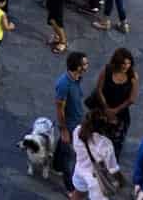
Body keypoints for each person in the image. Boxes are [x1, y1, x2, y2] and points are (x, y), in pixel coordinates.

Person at [90, 47, 139, 160]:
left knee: (115, 141)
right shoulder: (107, 70)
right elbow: (99, 89)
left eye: (128, 63)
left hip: (120, 111)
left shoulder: (133, 76)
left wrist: (115, 111)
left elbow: (132, 99)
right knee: (97, 134)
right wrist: (106, 108)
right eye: (123, 63)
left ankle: (111, 160)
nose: (126, 66)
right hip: (103, 107)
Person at [55, 52, 91, 194]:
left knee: (63, 147)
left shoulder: (77, 78)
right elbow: (59, 108)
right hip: (69, 125)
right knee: (69, 157)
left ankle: (56, 165)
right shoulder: (64, 84)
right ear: (77, 67)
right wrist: (63, 129)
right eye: (84, 64)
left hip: (76, 121)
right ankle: (70, 187)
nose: (87, 66)